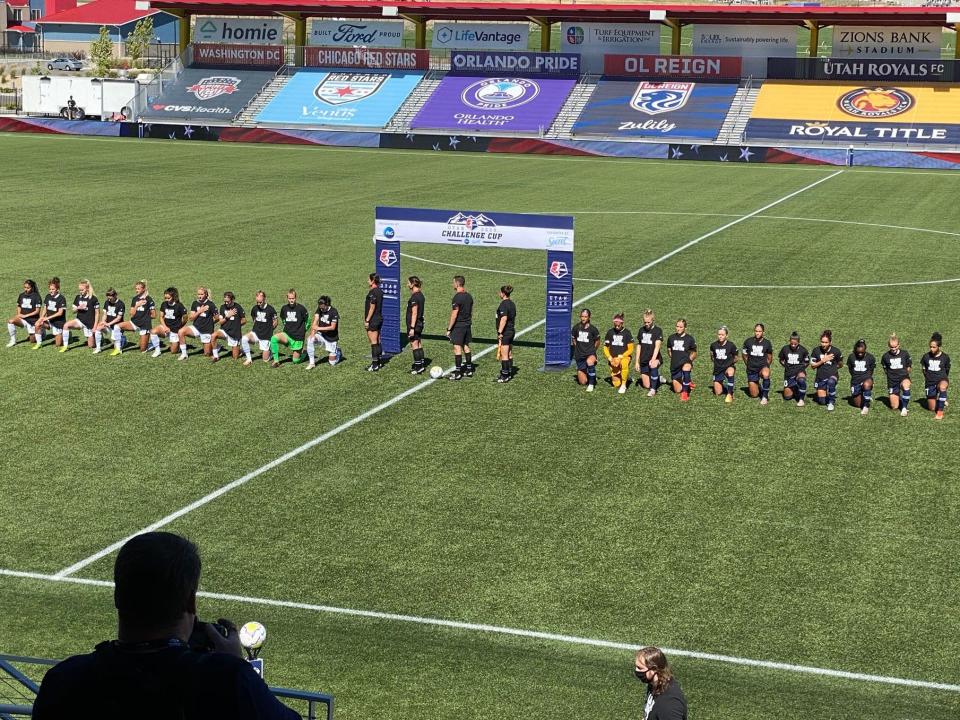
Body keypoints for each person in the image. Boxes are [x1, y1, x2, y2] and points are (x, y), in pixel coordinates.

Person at [32, 531, 301, 720]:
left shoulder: (63, 681)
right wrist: (237, 667)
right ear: (191, 603)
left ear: (117, 596)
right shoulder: (226, 681)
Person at [634, 646, 687, 720]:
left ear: (654, 669)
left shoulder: (669, 704)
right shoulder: (655, 684)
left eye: (640, 668)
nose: (636, 670)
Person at [114, 281, 155, 355]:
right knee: (117, 327)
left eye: (138, 289)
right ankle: (118, 348)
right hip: (134, 323)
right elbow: (131, 314)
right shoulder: (135, 299)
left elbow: (154, 315)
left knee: (143, 350)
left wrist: (145, 317)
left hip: (144, 326)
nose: (137, 290)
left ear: (143, 289)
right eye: (136, 289)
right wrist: (137, 306)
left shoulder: (149, 300)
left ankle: (153, 344)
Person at [270, 289, 308, 368]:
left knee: (295, 361)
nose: (291, 300)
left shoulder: (301, 308)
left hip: (298, 338)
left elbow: (308, 320)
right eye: (290, 298)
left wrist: (304, 330)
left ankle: (304, 354)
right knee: (274, 338)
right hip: (287, 334)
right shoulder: (284, 308)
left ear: (296, 298)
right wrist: (286, 326)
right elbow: (283, 318)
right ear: (287, 298)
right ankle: (276, 361)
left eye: (293, 298)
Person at [447, 275, 474, 381]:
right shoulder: (469, 296)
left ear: (457, 284)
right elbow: (471, 311)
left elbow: (454, 314)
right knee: (466, 346)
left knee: (457, 348)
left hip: (459, 326)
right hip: (467, 324)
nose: (452, 284)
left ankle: (458, 372)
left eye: (453, 282)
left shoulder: (457, 297)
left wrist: (449, 329)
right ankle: (469, 369)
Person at [178, 287, 217, 360]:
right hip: (196, 328)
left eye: (201, 294)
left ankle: (216, 346)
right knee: (181, 331)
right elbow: (191, 318)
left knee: (207, 354)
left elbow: (217, 317)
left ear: (206, 294)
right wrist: (200, 311)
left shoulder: (211, 304)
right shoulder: (195, 303)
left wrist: (210, 323)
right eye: (198, 294)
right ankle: (184, 354)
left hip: (206, 330)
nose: (200, 296)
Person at [61, 279, 100, 353]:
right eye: (80, 290)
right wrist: (78, 308)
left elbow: (97, 313)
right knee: (66, 325)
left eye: (82, 290)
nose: (80, 292)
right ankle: (65, 346)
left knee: (91, 345)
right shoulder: (78, 297)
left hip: (89, 323)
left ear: (87, 288)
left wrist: (95, 326)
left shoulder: (93, 299)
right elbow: (73, 310)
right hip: (79, 321)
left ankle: (98, 337)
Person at [810, 329, 843, 411]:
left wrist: (834, 368)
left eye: (826, 342)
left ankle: (831, 402)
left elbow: (840, 364)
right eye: (822, 342)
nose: (823, 344)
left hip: (832, 375)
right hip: (820, 377)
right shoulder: (816, 350)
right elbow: (813, 366)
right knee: (822, 401)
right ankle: (828, 394)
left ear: (830, 342)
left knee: (831, 382)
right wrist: (823, 360)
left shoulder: (836, 351)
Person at [242, 291, 276, 366]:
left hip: (266, 335)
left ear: (264, 299)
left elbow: (275, 321)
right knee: (244, 339)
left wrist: (270, 330)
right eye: (257, 302)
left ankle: (270, 352)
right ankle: (249, 359)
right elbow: (254, 319)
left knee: (265, 360)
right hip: (256, 332)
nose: (258, 304)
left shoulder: (270, 309)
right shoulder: (254, 308)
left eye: (260, 302)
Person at [634, 309, 663, 397]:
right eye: (645, 322)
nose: (646, 324)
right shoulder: (641, 330)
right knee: (646, 385)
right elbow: (639, 345)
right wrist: (636, 361)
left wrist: (653, 359)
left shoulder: (658, 330)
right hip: (644, 359)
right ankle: (658, 378)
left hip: (655, 358)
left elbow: (657, 346)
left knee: (653, 365)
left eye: (648, 322)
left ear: (653, 320)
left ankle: (653, 390)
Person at [149, 287, 186, 358]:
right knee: (153, 331)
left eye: (168, 298)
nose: (166, 300)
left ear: (174, 297)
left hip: (174, 329)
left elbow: (185, 317)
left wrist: (179, 327)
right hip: (165, 327)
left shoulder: (179, 305)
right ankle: (157, 350)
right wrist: (165, 327)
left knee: (173, 351)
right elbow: (161, 317)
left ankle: (177, 343)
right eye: (165, 298)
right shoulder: (164, 304)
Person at [921, 332, 950, 420]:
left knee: (942, 386)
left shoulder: (945, 357)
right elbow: (924, 370)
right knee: (931, 408)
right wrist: (929, 379)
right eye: (930, 347)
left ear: (939, 347)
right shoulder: (926, 357)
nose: (932, 349)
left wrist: (944, 378)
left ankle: (940, 413)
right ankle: (942, 399)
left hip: (942, 379)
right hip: (930, 382)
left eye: (934, 347)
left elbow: (947, 370)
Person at [881, 333, 912, 416]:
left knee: (906, 386)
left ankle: (904, 408)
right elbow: (886, 369)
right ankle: (899, 397)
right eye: (891, 347)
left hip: (903, 377)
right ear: (888, 346)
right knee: (894, 406)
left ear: (899, 345)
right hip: (892, 381)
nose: (894, 349)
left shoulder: (905, 354)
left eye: (895, 346)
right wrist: (893, 376)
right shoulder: (885, 356)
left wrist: (905, 376)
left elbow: (909, 367)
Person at [742, 323, 773, 405]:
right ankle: (758, 385)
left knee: (766, 374)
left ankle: (765, 397)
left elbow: (770, 357)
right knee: (754, 395)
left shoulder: (767, 343)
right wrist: (748, 364)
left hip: (762, 367)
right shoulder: (748, 342)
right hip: (751, 369)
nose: (757, 333)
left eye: (759, 331)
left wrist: (766, 366)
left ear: (763, 332)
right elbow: (744, 355)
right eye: (756, 331)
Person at [603, 312, 633, 394]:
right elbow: (605, 346)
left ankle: (624, 385)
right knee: (616, 384)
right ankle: (625, 377)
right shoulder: (610, 332)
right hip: (613, 359)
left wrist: (621, 356)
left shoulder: (627, 333)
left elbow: (631, 349)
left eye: (618, 325)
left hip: (624, 357)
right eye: (615, 324)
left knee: (624, 364)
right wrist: (609, 357)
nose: (617, 326)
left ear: (622, 323)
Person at [307, 295, 341, 369]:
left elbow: (332, 327)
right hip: (321, 335)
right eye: (320, 307)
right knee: (310, 339)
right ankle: (312, 363)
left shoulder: (334, 312)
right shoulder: (319, 309)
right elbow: (315, 321)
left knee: (332, 363)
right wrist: (312, 333)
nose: (321, 309)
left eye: (323, 308)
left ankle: (338, 352)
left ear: (327, 305)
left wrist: (318, 328)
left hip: (331, 338)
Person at [667, 319, 697, 402]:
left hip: (685, 363)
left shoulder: (690, 339)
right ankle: (687, 381)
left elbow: (694, 353)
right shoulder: (671, 338)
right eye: (677, 326)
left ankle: (685, 393)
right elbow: (669, 351)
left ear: (685, 328)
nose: (678, 328)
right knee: (677, 390)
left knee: (686, 368)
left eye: (681, 327)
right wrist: (674, 359)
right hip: (675, 365)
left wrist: (688, 360)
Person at [571, 308, 600, 392]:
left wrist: (593, 351)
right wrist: (578, 349)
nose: (583, 318)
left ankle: (591, 383)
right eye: (582, 316)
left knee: (590, 361)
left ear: (589, 317)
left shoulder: (593, 329)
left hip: (590, 353)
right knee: (582, 382)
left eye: (585, 317)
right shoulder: (576, 328)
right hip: (579, 355)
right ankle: (589, 373)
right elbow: (574, 340)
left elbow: (597, 341)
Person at [34, 277, 68, 350]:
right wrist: (41, 318)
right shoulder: (48, 296)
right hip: (49, 321)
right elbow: (45, 308)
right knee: (37, 324)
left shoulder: (61, 298)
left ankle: (67, 335)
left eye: (53, 289)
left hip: (58, 322)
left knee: (58, 344)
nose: (51, 291)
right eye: (50, 289)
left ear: (57, 289)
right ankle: (39, 343)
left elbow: (60, 313)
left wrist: (47, 318)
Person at [211, 291, 245, 363]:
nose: (226, 303)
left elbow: (244, 320)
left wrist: (236, 325)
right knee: (213, 335)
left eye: (228, 301)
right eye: (225, 301)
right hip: (224, 331)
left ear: (232, 299)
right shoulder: (222, 307)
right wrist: (227, 317)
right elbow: (220, 322)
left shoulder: (238, 307)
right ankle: (216, 356)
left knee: (235, 357)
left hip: (234, 333)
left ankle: (240, 351)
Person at [7, 278, 42, 347]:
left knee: (32, 341)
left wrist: (26, 316)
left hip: (32, 320)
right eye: (25, 287)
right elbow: (19, 306)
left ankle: (41, 332)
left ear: (32, 288)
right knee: (10, 321)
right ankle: (13, 340)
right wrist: (19, 314)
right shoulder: (21, 295)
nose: (26, 289)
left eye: (28, 288)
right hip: (23, 319)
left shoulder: (36, 296)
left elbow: (37, 311)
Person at [778, 331, 810, 406]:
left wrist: (802, 368)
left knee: (801, 379)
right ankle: (795, 388)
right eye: (791, 343)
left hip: (799, 371)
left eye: (795, 344)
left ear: (798, 342)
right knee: (787, 397)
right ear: (789, 341)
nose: (793, 345)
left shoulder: (803, 350)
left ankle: (801, 400)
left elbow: (807, 362)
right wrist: (786, 366)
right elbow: (781, 360)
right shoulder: (785, 349)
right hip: (789, 373)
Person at [846, 338, 876, 416]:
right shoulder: (851, 357)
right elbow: (850, 369)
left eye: (862, 352)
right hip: (855, 381)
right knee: (858, 405)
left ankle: (866, 405)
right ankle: (865, 395)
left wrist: (869, 379)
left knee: (867, 384)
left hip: (866, 378)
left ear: (865, 350)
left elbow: (871, 370)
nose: (860, 354)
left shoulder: (870, 357)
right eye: (858, 352)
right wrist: (856, 377)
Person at [709, 325, 737, 404]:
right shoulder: (713, 345)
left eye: (722, 335)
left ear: (726, 335)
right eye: (719, 334)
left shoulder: (731, 345)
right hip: (718, 369)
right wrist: (717, 363)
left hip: (728, 367)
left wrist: (730, 364)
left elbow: (736, 357)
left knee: (730, 372)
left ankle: (730, 393)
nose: (720, 336)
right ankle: (725, 387)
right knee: (718, 393)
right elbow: (712, 356)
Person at [93, 288, 125, 355]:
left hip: (117, 327)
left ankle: (123, 339)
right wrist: (103, 321)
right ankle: (98, 348)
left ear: (115, 295)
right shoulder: (107, 302)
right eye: (108, 298)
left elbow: (118, 318)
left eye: (110, 298)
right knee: (98, 329)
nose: (109, 300)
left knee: (116, 347)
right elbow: (105, 314)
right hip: (108, 325)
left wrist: (108, 323)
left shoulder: (121, 304)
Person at [364, 273, 385, 372]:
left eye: (369, 279)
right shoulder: (380, 291)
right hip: (379, 318)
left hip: (373, 319)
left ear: (373, 281)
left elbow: (372, 307)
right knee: (377, 340)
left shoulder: (373, 292)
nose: (367, 281)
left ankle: (375, 364)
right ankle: (379, 362)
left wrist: (367, 320)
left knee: (373, 342)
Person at [496, 285, 516, 383]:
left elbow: (503, 319)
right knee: (509, 353)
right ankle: (509, 371)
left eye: (500, 292)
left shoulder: (504, 304)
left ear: (503, 293)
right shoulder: (512, 304)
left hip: (506, 332)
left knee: (504, 355)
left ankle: (505, 375)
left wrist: (500, 332)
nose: (499, 294)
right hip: (511, 331)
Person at [406, 277, 426, 375]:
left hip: (415, 324)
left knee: (414, 344)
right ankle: (421, 363)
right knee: (418, 343)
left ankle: (418, 367)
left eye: (408, 283)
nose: (407, 285)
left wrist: (412, 328)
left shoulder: (414, 297)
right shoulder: (421, 295)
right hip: (420, 322)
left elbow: (414, 313)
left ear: (413, 284)